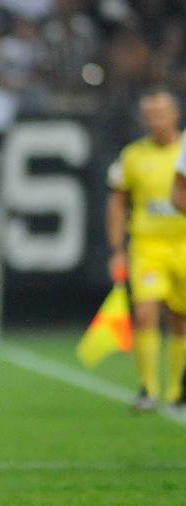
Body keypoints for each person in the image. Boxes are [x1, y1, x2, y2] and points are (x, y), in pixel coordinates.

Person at [106, 89, 186, 412]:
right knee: (145, 313)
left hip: (182, 244)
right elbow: (117, 203)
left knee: (181, 318)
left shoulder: (184, 151)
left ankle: (177, 390)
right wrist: (117, 248)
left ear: (175, 115)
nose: (155, 119)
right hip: (147, 246)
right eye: (150, 114)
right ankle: (149, 388)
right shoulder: (133, 156)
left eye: (161, 112)